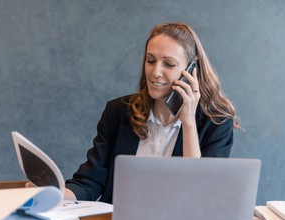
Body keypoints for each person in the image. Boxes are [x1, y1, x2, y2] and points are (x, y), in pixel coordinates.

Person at [66, 22, 240, 203]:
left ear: (191, 70)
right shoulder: (118, 112)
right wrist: (50, 196)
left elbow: (202, 195)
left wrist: (188, 122)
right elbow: (89, 182)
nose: (155, 72)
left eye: (169, 64)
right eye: (150, 60)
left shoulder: (216, 122)